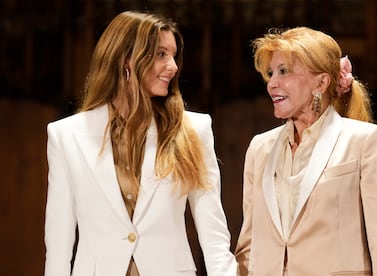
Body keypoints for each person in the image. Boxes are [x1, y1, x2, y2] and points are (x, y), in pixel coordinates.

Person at [44, 10, 238, 276]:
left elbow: (213, 231)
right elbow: (58, 244)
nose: (173, 66)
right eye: (161, 54)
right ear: (126, 59)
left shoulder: (193, 128)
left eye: (173, 55)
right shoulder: (65, 136)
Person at [235, 26, 377, 276]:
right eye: (271, 73)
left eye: (284, 72)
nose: (272, 83)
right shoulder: (260, 148)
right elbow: (248, 242)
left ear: (321, 82)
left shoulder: (365, 141)